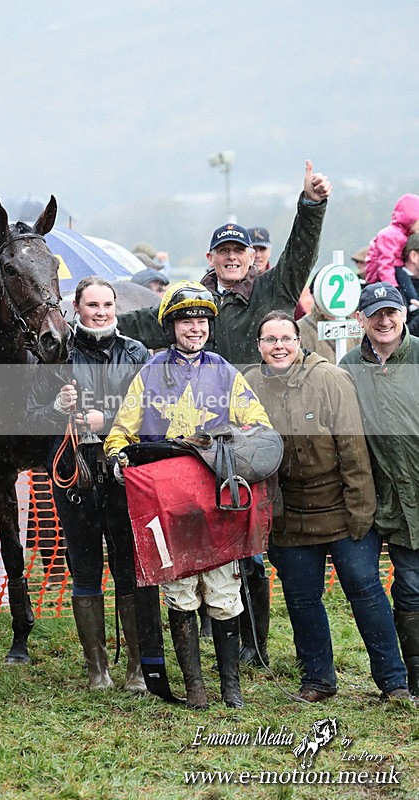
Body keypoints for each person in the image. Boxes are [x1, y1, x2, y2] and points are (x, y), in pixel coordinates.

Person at [104, 280, 272, 709]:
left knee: (222, 590)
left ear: (209, 325)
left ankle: (230, 686)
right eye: (185, 320)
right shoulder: (149, 372)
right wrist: (119, 457)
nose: (194, 328)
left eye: (200, 320)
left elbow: (257, 424)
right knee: (180, 592)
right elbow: (121, 431)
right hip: (168, 498)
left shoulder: (225, 371)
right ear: (171, 325)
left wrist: (230, 445)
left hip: (214, 495)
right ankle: (195, 687)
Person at [244, 309, 412, 703]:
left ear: (298, 341)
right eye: (270, 340)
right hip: (288, 516)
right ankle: (318, 680)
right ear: (259, 346)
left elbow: (354, 453)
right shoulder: (249, 383)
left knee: (366, 591)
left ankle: (394, 682)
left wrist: (360, 518)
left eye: (285, 338)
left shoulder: (331, 379)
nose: (279, 346)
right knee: (302, 599)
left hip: (341, 508)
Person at [27, 276, 150, 692]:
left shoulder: (136, 352)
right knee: (84, 564)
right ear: (75, 308)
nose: (100, 312)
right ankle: (97, 670)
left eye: (107, 305)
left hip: (122, 469)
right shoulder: (55, 355)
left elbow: (151, 412)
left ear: (116, 308)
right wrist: (55, 407)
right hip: (73, 471)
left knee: (128, 565)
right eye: (92, 305)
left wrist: (106, 420)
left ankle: (136, 667)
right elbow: (29, 417)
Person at [117, 160, 332, 366]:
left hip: (263, 398)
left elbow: (301, 250)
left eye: (239, 250)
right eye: (224, 250)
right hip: (208, 400)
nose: (231, 256)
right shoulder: (190, 300)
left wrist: (311, 205)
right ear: (210, 258)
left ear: (251, 256)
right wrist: (99, 323)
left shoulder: (274, 288)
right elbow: (142, 324)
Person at [340, 282, 419, 697]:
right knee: (390, 583)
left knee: (412, 584)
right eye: (375, 314)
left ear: (403, 314)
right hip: (374, 496)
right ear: (361, 319)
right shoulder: (349, 366)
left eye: (391, 312)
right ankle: (401, 679)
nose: (384, 321)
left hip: (417, 495)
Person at [365, 194, 419, 311]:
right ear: (410, 218)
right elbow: (385, 264)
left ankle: (413, 303)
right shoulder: (390, 234)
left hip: (397, 269)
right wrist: (392, 288)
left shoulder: (404, 234)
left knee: (407, 285)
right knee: (400, 295)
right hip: (381, 275)